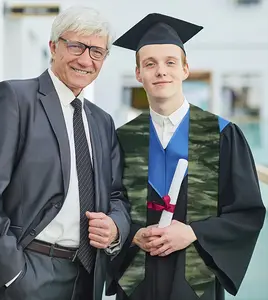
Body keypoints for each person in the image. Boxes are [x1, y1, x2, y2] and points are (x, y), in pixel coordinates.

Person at [0, 6, 130, 300]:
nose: (85, 59)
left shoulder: (102, 121)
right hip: (27, 271)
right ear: (53, 46)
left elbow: (116, 194)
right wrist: (12, 273)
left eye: (97, 51)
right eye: (76, 46)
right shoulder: (16, 100)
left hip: (85, 276)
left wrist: (116, 227)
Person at [105, 13, 266, 300]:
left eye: (170, 62)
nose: (161, 71)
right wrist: (132, 236)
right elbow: (109, 206)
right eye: (150, 64)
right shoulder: (122, 139)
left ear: (185, 69)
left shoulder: (221, 134)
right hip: (136, 283)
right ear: (139, 74)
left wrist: (194, 233)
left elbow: (246, 212)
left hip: (195, 283)